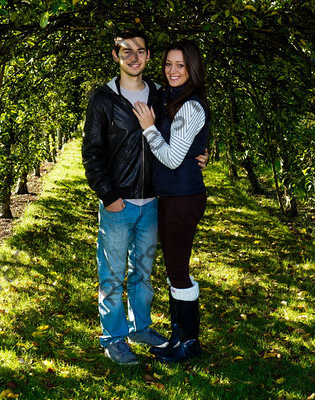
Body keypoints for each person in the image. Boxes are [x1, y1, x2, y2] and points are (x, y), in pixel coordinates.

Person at [82, 30, 208, 365]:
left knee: (143, 272)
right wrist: (108, 195)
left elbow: (179, 133)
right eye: (126, 52)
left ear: (148, 56)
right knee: (111, 276)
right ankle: (113, 337)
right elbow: (91, 153)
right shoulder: (104, 99)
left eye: (140, 51)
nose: (134, 57)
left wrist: (200, 153)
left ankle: (141, 327)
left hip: (154, 200)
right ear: (116, 56)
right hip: (118, 202)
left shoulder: (160, 94)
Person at [132, 39, 210, 363]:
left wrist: (149, 129)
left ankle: (188, 344)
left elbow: (173, 157)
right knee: (175, 268)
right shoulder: (172, 99)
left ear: (192, 68)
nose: (173, 70)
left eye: (180, 65)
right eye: (168, 64)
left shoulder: (190, 105)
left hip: (183, 198)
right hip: (174, 196)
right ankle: (181, 337)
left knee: (177, 270)